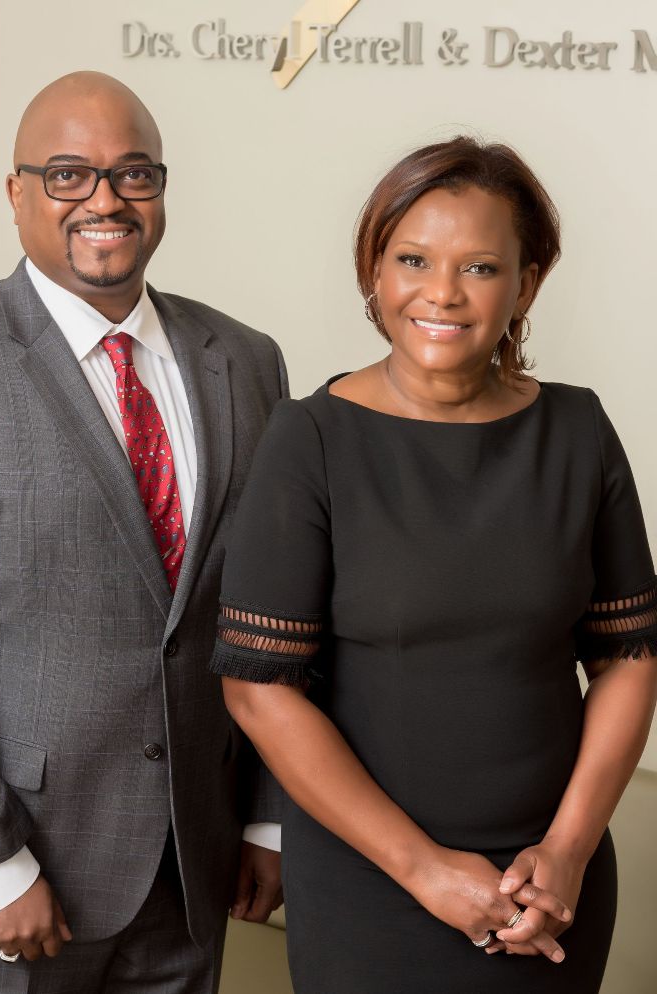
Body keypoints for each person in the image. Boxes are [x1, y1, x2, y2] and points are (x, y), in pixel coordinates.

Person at [0, 71, 286, 994]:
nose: (105, 199)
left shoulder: (247, 362)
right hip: (5, 886)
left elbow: (272, 609)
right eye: (67, 174)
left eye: (135, 174)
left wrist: (264, 818)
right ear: (16, 194)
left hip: (189, 869)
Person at [210, 136, 657, 993]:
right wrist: (423, 870)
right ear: (373, 272)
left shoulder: (578, 432)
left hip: (549, 892)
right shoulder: (311, 440)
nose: (441, 293)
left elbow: (627, 661)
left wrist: (565, 853)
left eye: (480, 267)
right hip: (371, 884)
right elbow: (259, 690)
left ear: (525, 284)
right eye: (412, 258)